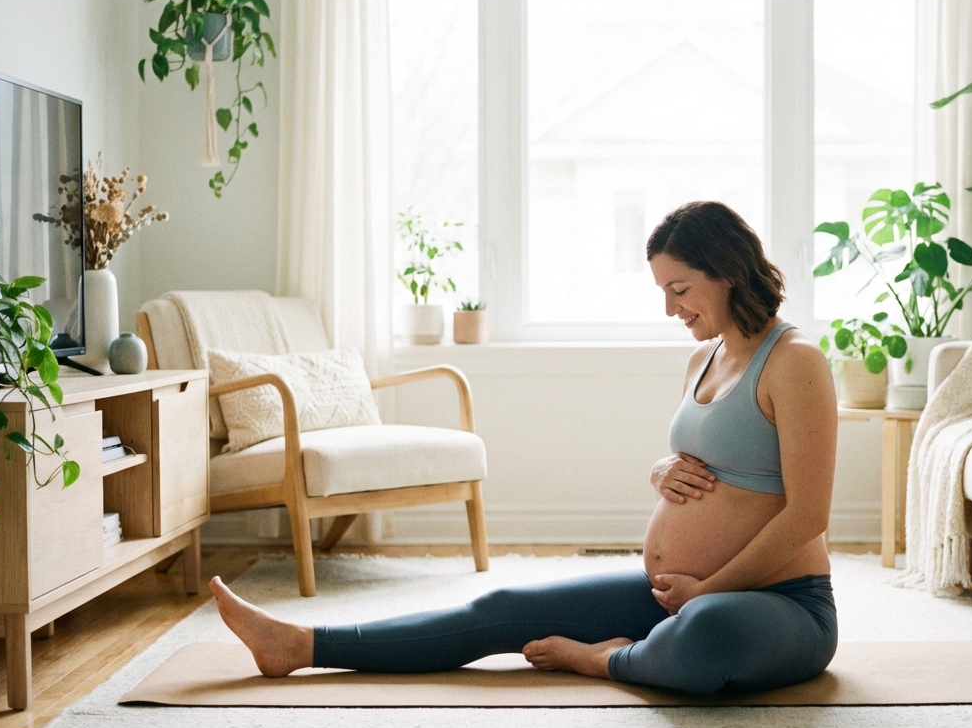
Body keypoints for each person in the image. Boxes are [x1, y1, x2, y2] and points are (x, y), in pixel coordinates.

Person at [210, 200, 840, 694]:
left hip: (775, 606)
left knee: (708, 633)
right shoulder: (703, 358)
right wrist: (663, 471)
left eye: (679, 289)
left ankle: (604, 662)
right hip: (678, 591)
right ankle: (300, 645)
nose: (669, 307)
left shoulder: (796, 363)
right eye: (661, 291)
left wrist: (709, 593)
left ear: (727, 273)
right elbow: (719, 461)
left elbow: (807, 516)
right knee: (506, 606)